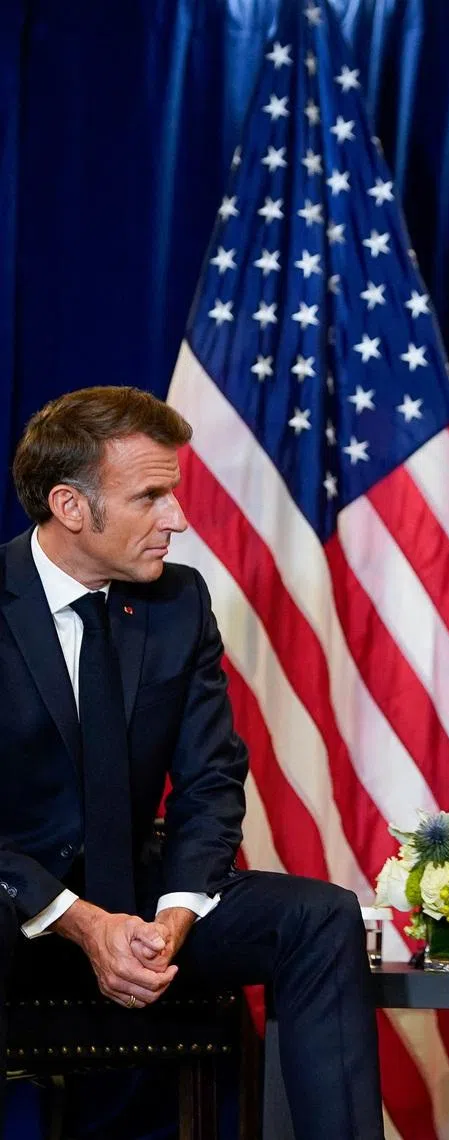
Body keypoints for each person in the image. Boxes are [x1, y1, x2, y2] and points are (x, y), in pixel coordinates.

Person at [0, 386, 383, 1137]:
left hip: (141, 893)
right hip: (16, 903)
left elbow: (211, 778)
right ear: (71, 507)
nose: (176, 519)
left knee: (320, 918)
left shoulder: (177, 601)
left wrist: (175, 915)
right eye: (151, 497)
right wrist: (77, 921)